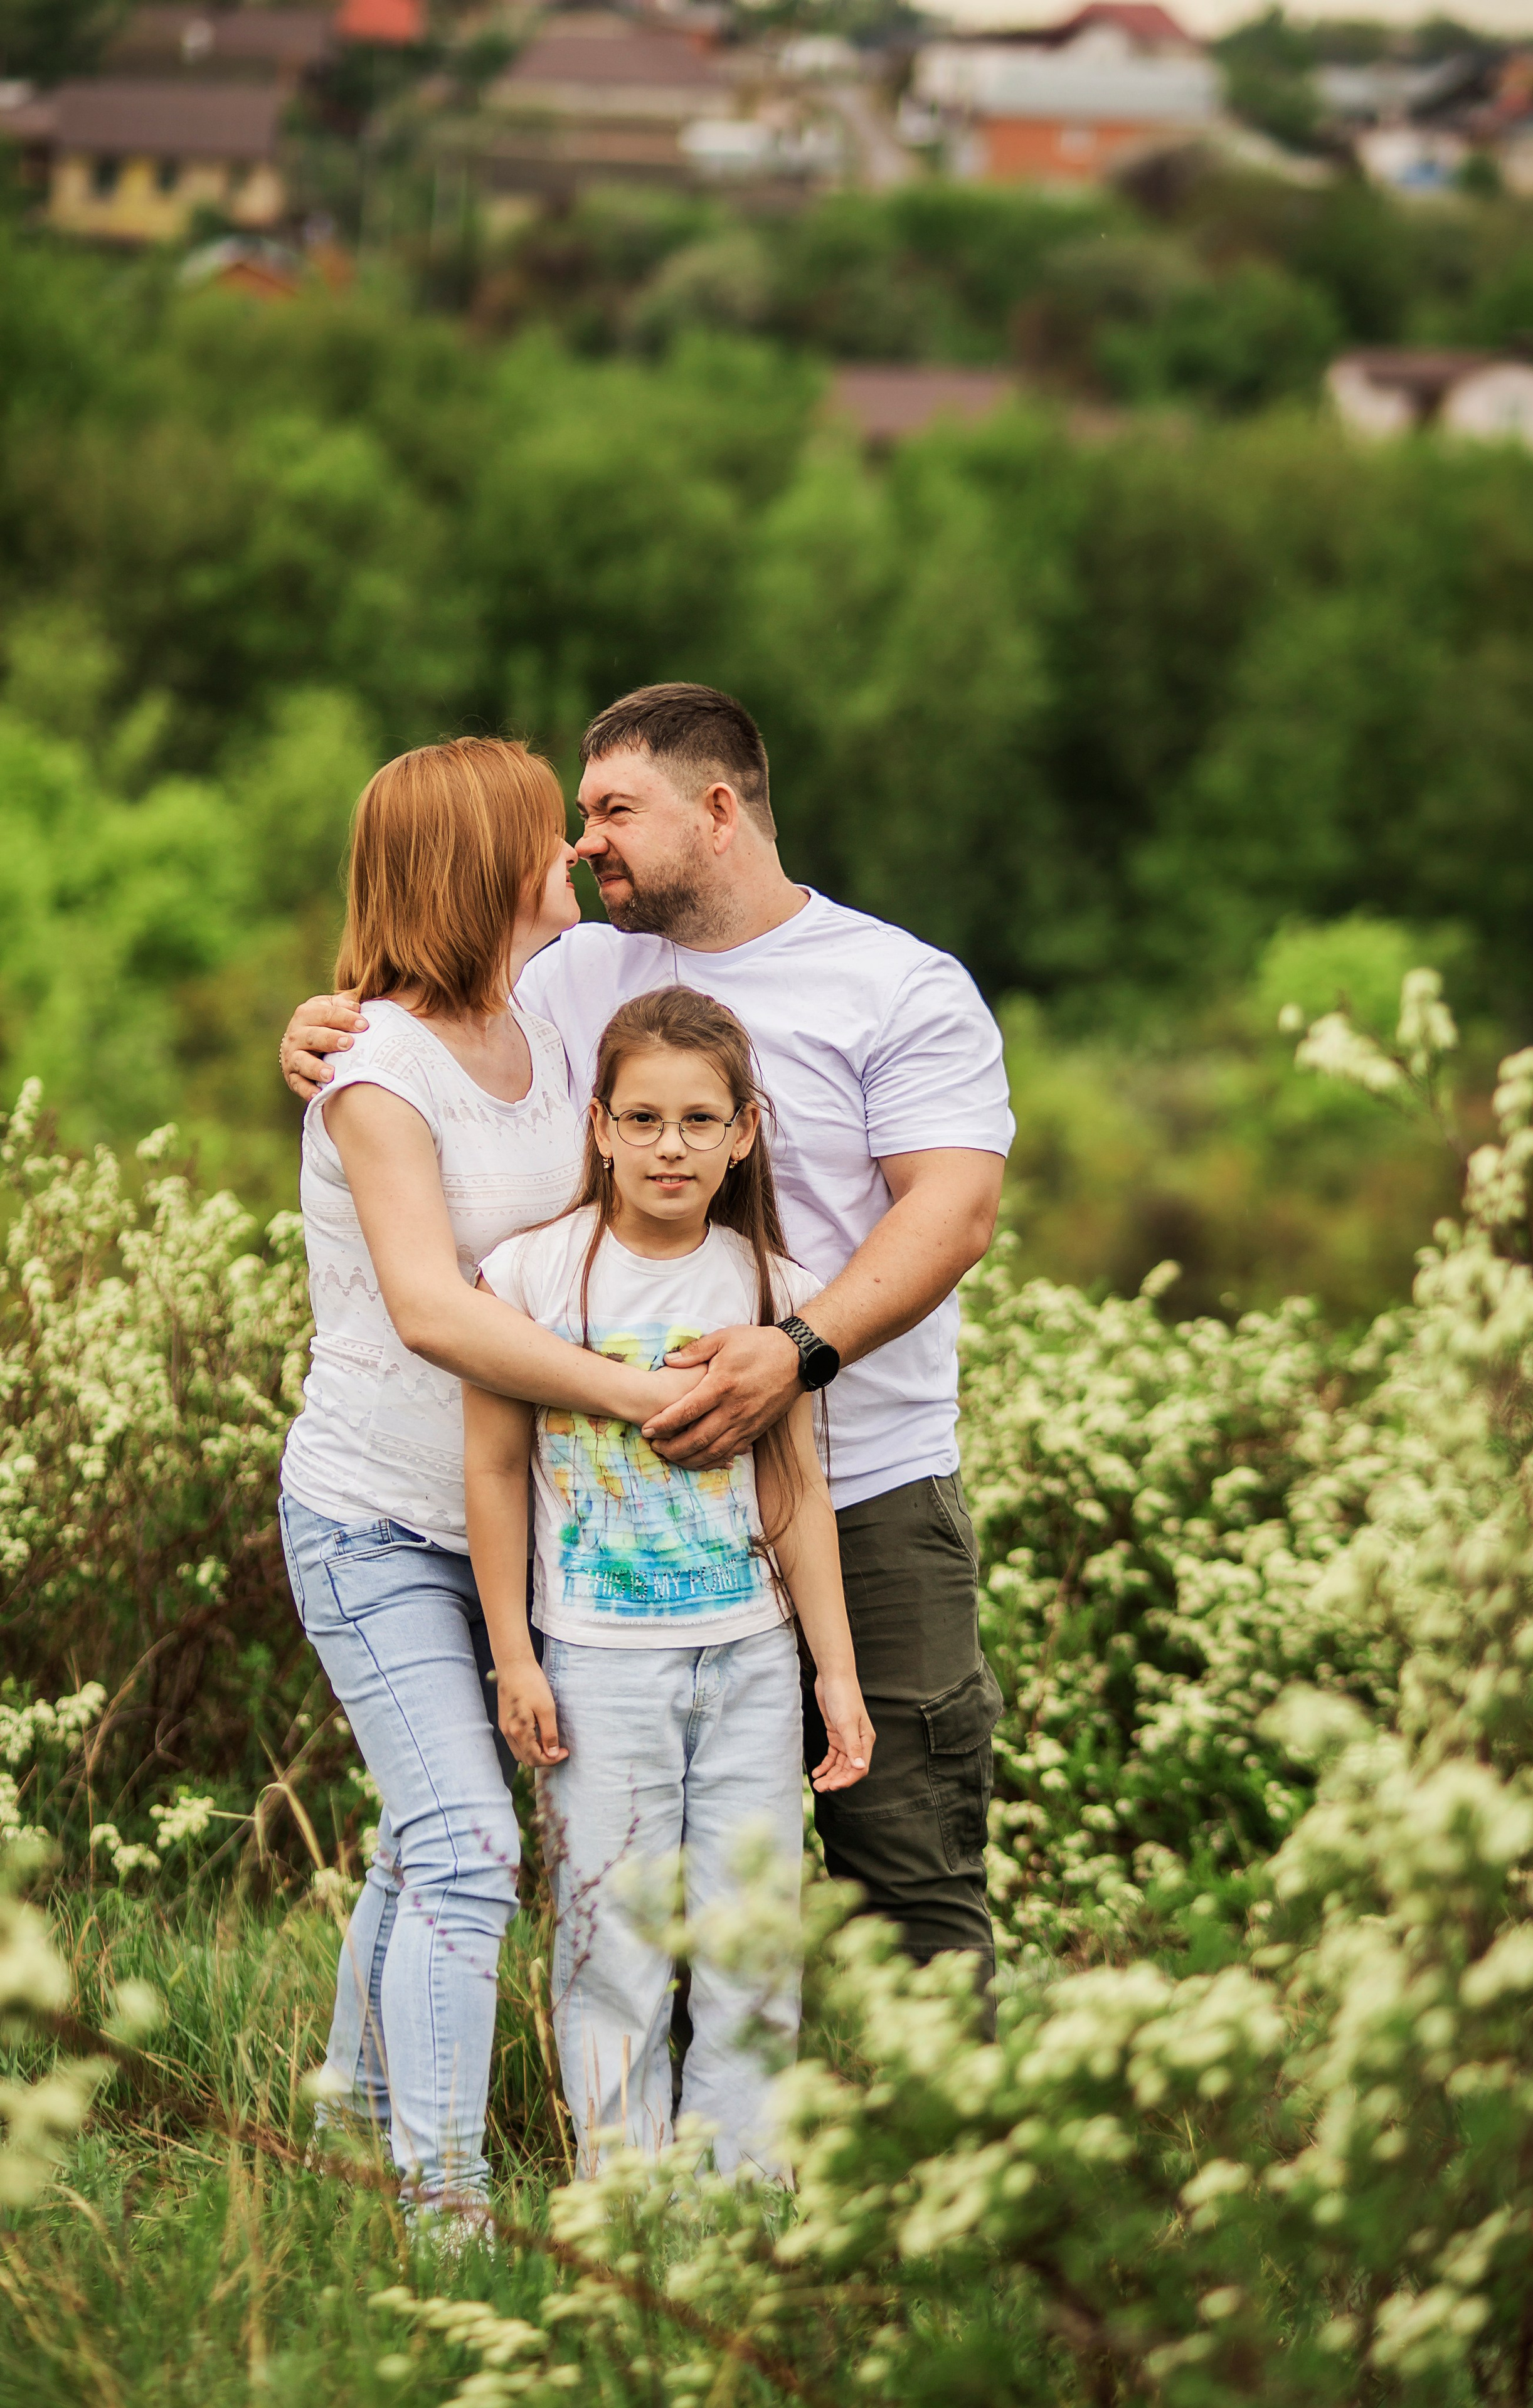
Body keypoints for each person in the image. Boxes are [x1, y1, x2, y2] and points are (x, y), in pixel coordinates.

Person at [280, 684, 1012, 2001]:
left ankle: (943, 2135)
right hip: (630, 1501)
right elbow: (432, 1029)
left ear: (718, 811)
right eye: (577, 814)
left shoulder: (898, 986)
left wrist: (793, 1352)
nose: (582, 843)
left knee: (906, 1865)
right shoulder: (572, 969)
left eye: (615, 810)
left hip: (859, 1490)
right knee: (647, 1884)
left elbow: (952, 1213)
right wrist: (328, 1026)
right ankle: (661, 2132)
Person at [277, 736, 698, 2217]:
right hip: (376, 1522)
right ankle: (442, 2211)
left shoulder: (541, 1033)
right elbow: (432, 1311)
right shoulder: (375, 1071)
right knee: (464, 1847)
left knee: (426, 1839)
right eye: (546, 831)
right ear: (480, 865)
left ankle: (349, 2126)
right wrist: (632, 1396)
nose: (573, 850)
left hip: (513, 1520)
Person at [463, 986, 874, 2175]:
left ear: (745, 1133)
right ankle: (628, 2198)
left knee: (754, 1941)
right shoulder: (531, 1278)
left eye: (700, 1121)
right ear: (598, 1127)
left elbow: (794, 1490)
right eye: (642, 1119)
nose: (670, 1148)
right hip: (598, 1667)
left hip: (749, 1660)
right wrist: (515, 1656)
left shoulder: (770, 1288)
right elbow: (492, 1471)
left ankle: (747, 2196)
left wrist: (834, 1674)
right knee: (614, 1943)